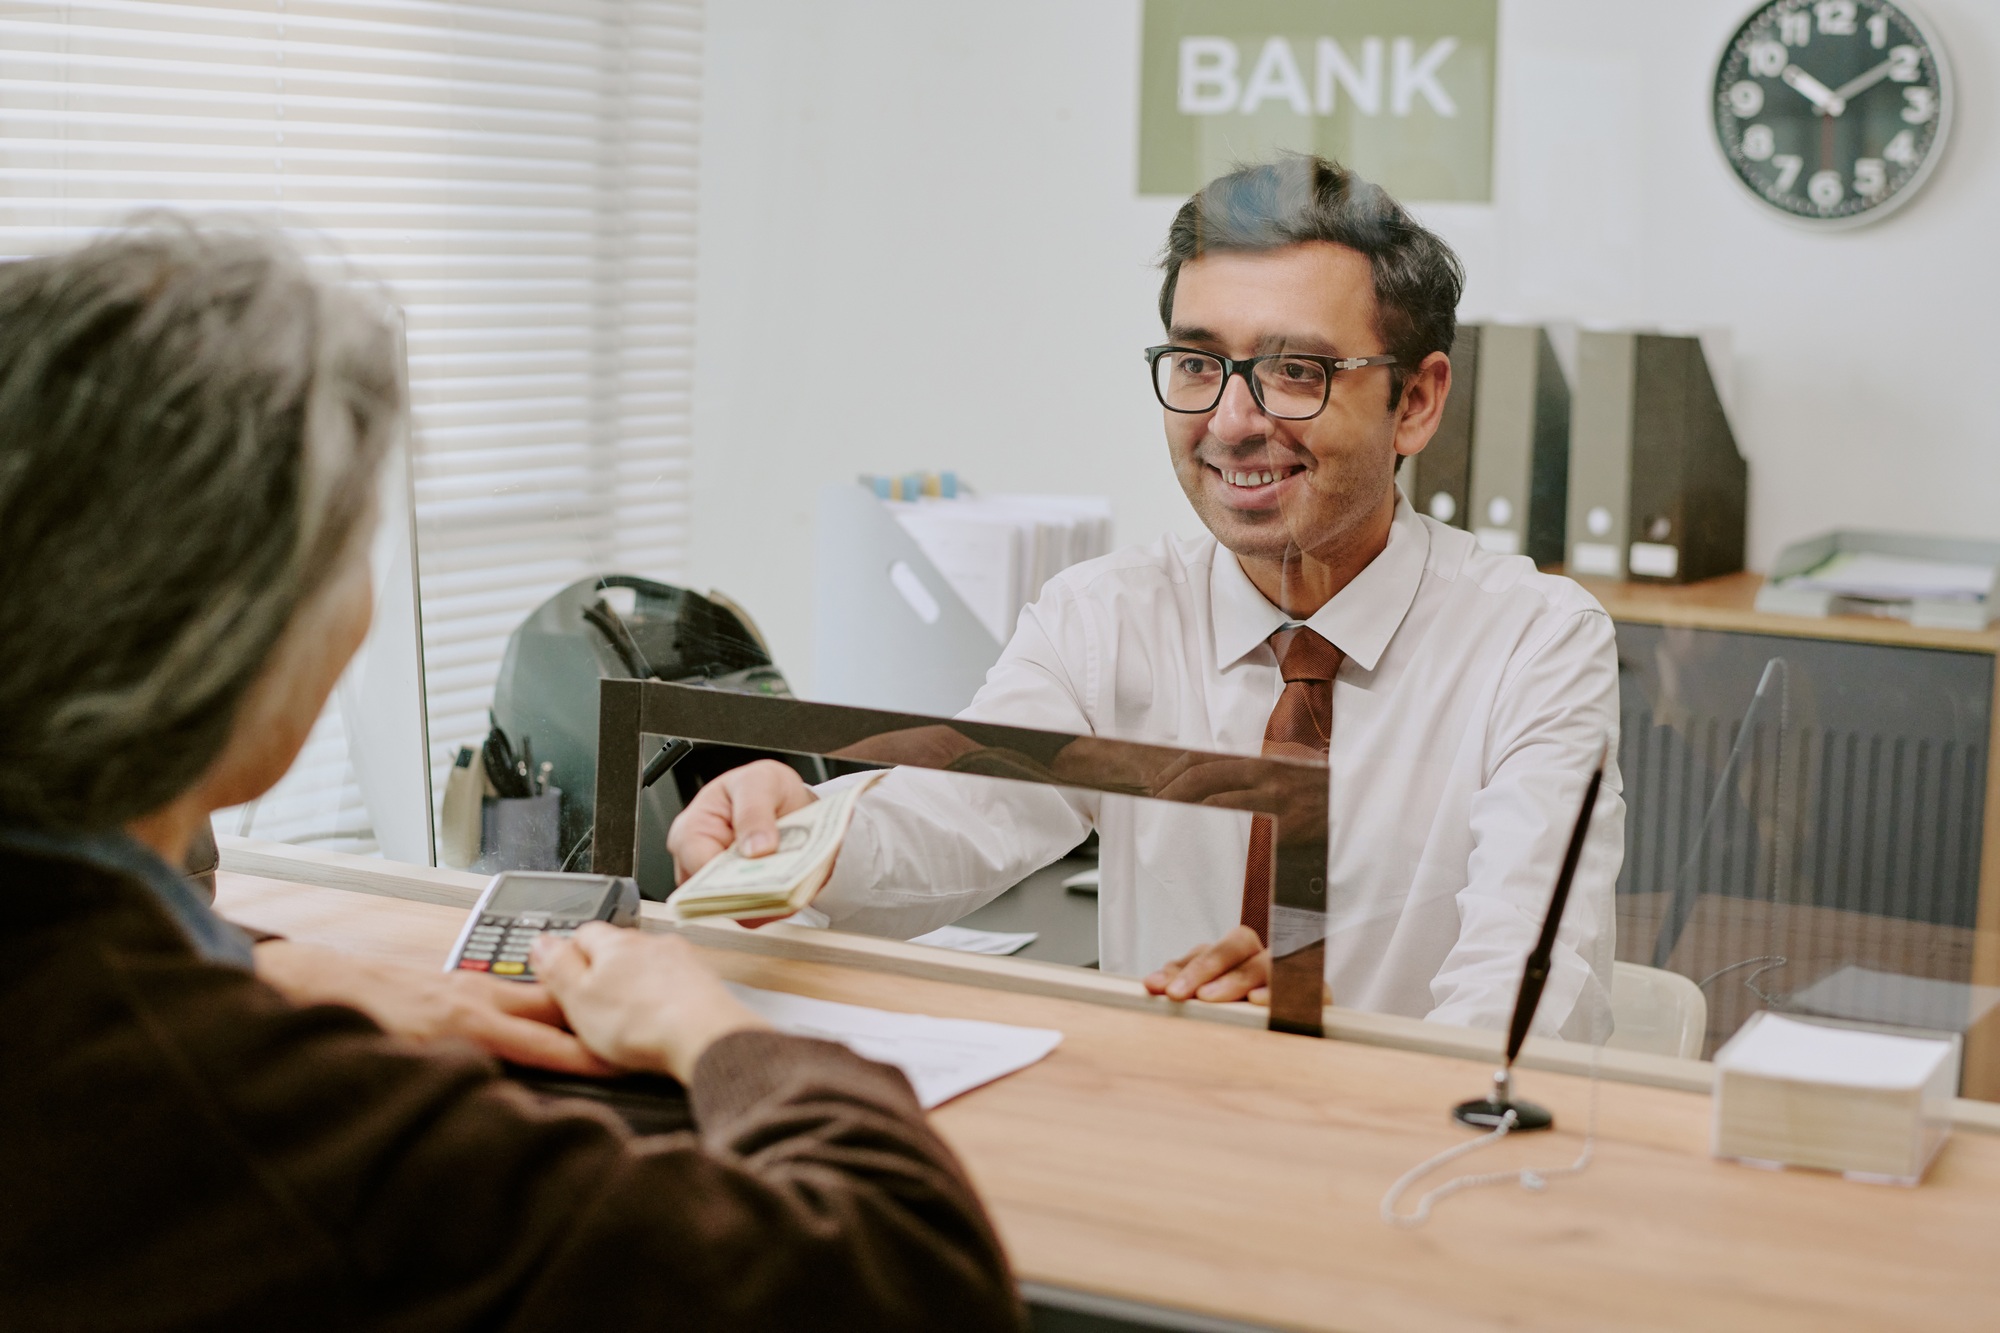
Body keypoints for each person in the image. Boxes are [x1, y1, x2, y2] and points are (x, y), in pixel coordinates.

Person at [0, 221, 1022, 1331]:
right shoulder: (268, 1115)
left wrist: (264, 968)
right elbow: (907, 1276)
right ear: (235, 637)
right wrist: (713, 1032)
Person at [670, 156, 1622, 1041]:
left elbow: (1532, 978)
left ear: (1414, 402)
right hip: (1155, 1132)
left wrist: (1341, 1049)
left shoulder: (1533, 642)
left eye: (1297, 371)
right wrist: (795, 842)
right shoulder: (1103, 619)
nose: (1233, 422)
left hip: (1410, 1164)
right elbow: (957, 816)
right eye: (1199, 364)